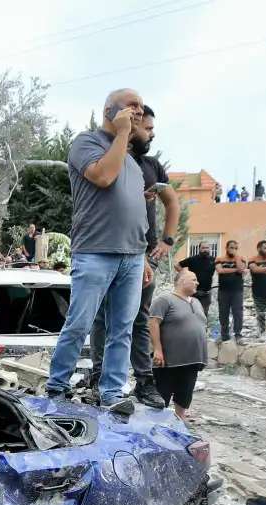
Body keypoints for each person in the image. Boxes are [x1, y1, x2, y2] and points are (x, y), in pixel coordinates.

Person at [44, 88, 149, 414]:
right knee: (80, 322)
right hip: (94, 252)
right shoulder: (86, 143)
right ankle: (57, 387)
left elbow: (138, 212)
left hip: (132, 256)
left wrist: (144, 255)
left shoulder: (130, 161)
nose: (139, 113)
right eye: (133, 105)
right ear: (111, 110)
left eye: (142, 108)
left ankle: (112, 393)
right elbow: (103, 177)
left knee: (122, 330)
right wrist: (120, 134)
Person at [88, 104, 178, 409]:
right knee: (100, 315)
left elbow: (172, 201)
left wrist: (166, 240)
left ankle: (143, 381)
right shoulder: (110, 156)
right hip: (107, 249)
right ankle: (97, 375)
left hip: (142, 255)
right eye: (148, 129)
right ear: (132, 125)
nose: (151, 134)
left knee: (138, 317)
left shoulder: (151, 165)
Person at [148, 269, 208, 421]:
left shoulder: (197, 302)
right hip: (169, 360)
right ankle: (156, 425)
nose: (197, 282)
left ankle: (179, 424)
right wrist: (157, 350)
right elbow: (153, 323)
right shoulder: (165, 300)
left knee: (185, 394)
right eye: (194, 279)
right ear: (182, 281)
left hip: (192, 359)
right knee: (162, 393)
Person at [214, 240, 247, 343]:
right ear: (226, 248)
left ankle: (238, 335)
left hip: (237, 291)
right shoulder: (219, 259)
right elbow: (220, 271)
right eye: (232, 248)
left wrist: (236, 256)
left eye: (236, 248)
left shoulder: (240, 258)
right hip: (223, 291)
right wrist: (236, 270)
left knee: (238, 313)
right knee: (223, 313)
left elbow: (241, 269)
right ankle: (224, 335)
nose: (233, 250)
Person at [177, 241, 217, 317]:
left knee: (204, 315)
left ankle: (202, 329)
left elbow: (220, 269)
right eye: (203, 248)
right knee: (191, 313)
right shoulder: (192, 259)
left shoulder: (213, 260)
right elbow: (178, 265)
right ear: (199, 249)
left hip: (206, 293)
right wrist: (186, 275)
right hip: (193, 292)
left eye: (207, 248)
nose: (205, 250)